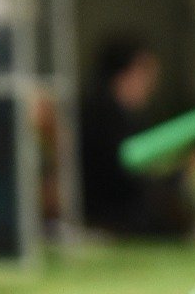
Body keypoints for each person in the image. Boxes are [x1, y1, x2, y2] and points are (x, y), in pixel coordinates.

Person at [79, 36, 189, 237]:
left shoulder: (116, 114)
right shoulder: (103, 117)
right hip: (111, 217)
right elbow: (121, 177)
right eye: (146, 75)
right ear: (126, 73)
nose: (151, 86)